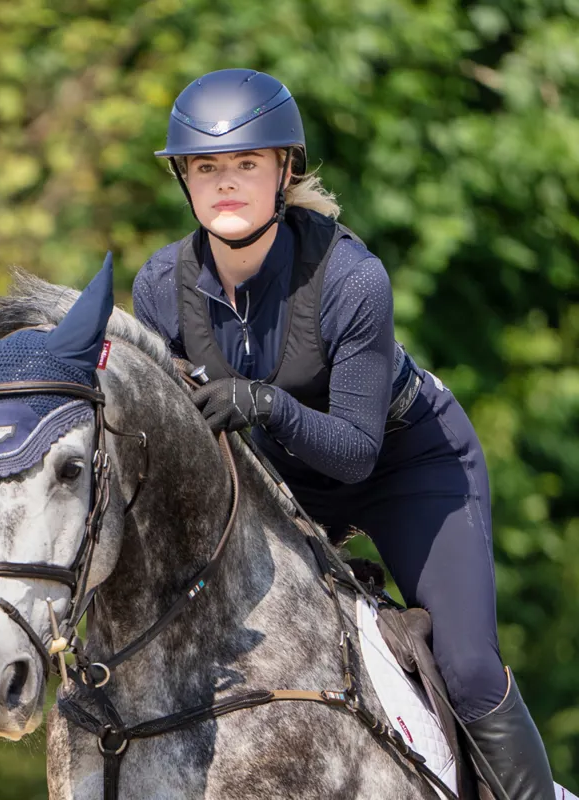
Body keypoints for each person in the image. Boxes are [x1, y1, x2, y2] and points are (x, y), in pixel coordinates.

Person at [132, 68, 552, 799]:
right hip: (277, 481)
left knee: (469, 666)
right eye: (206, 167)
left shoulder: (351, 278)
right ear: (184, 181)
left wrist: (265, 402)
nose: (225, 184)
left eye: (245, 164)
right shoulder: (159, 288)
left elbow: (356, 456)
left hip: (406, 465)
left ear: (283, 170)